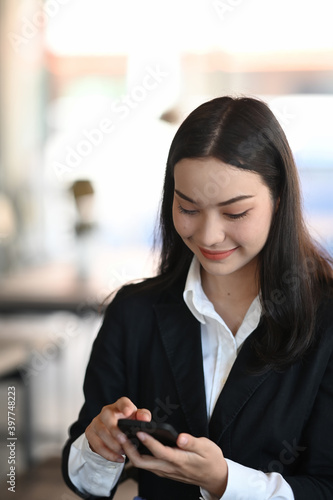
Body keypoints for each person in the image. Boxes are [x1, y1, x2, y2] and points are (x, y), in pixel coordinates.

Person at [62, 96, 333, 500]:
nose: (208, 236)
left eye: (235, 213)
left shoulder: (326, 319)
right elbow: (84, 479)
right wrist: (98, 448)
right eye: (188, 207)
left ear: (279, 199)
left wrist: (224, 481)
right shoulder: (134, 313)